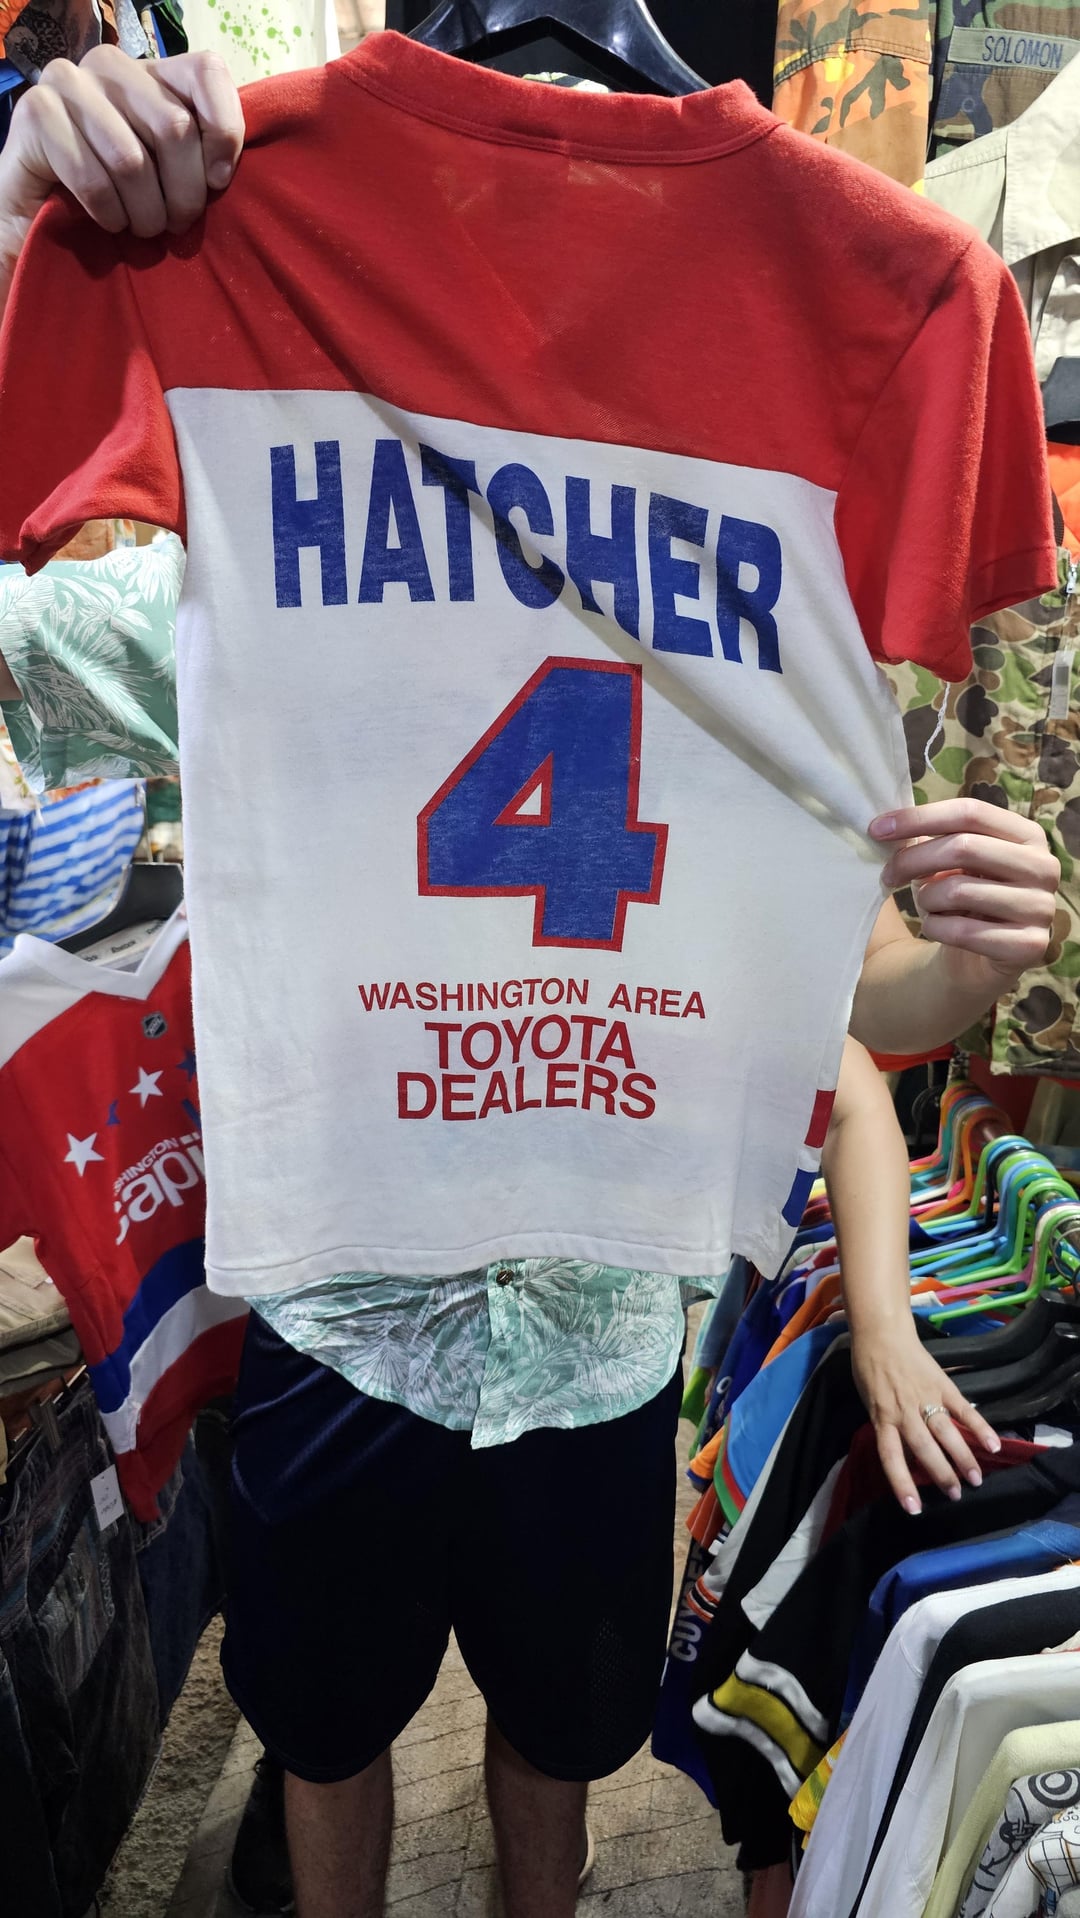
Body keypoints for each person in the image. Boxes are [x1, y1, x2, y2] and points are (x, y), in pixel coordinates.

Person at [0, 47, 1061, 1918]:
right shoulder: (243, 370)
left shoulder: (819, 429)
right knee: (325, 1726)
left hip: (597, 1330)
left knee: (559, 1740)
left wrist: (967, 962)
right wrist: (19, 212)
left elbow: (849, 1025)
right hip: (345, 1302)